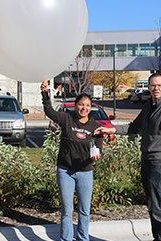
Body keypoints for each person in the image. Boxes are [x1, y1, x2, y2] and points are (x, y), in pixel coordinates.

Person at [94, 73, 161, 241]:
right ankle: (160, 238)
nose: (156, 88)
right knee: (153, 205)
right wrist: (110, 130)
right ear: (149, 87)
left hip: (160, 162)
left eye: (159, 85)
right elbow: (134, 127)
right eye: (152, 85)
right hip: (147, 160)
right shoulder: (148, 106)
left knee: (159, 205)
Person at [41, 81, 103, 241]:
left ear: (91, 108)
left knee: (84, 210)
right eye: (81, 105)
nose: (84, 108)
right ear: (76, 106)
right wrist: (45, 94)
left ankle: (83, 238)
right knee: (67, 211)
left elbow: (98, 147)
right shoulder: (67, 120)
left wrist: (98, 154)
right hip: (65, 172)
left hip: (85, 173)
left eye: (87, 105)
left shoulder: (95, 127)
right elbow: (49, 111)